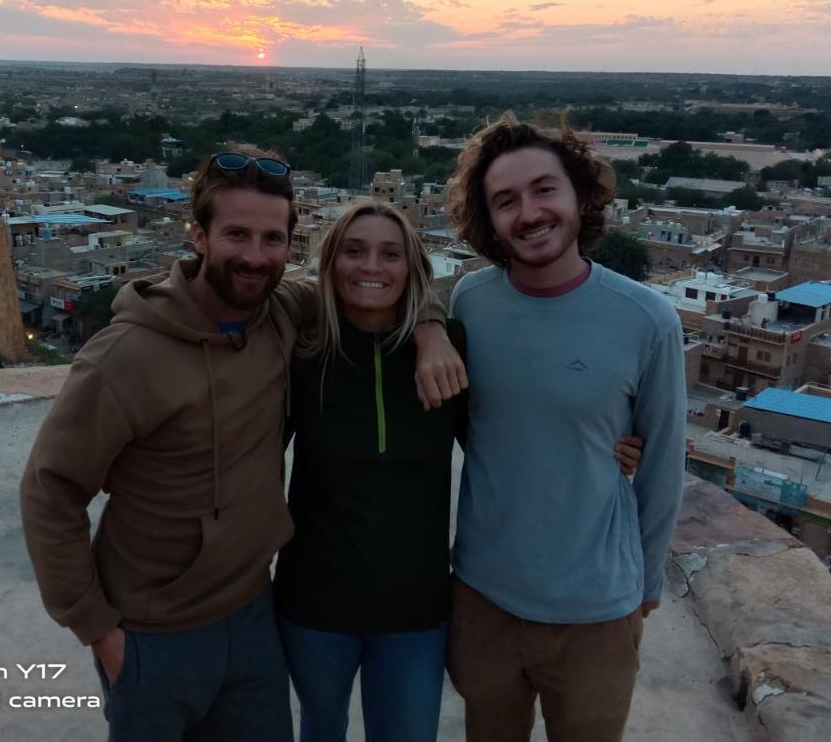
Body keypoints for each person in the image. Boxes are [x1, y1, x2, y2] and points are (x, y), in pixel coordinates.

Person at [19, 151, 461, 742]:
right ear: (198, 236)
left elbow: (377, 286)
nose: (255, 256)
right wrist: (97, 628)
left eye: (271, 239)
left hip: (253, 617)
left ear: (289, 246)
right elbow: (51, 489)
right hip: (154, 628)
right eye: (236, 235)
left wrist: (431, 326)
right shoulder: (126, 355)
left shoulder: (281, 315)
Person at [274, 199, 645, 742]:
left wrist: (602, 447)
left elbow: (509, 442)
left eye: (390, 254)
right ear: (329, 264)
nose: (371, 267)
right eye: (353, 252)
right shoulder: (303, 355)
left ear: (412, 269)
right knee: (320, 729)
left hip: (415, 610)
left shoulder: (450, 354)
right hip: (313, 603)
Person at [445, 114, 687, 742]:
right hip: (485, 597)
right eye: (506, 201)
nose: (528, 213)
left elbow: (662, 466)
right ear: (489, 219)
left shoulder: (646, 319)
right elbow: (481, 424)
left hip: (596, 611)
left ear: (580, 194)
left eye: (543, 189)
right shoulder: (471, 302)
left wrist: (645, 585)